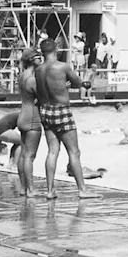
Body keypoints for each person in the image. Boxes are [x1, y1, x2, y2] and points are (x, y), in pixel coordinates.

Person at [34, 38, 99, 199]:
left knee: (52, 151)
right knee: (74, 152)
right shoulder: (62, 67)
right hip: (61, 111)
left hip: (45, 111)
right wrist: (80, 83)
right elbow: (78, 83)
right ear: (56, 50)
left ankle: (50, 191)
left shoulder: (39, 70)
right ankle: (82, 190)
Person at [15, 48, 44, 195]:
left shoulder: (22, 76)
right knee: (30, 156)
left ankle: (23, 187)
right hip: (33, 117)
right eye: (39, 57)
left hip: (22, 115)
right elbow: (43, 97)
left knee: (24, 154)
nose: (41, 59)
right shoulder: (32, 79)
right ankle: (31, 189)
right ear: (32, 59)